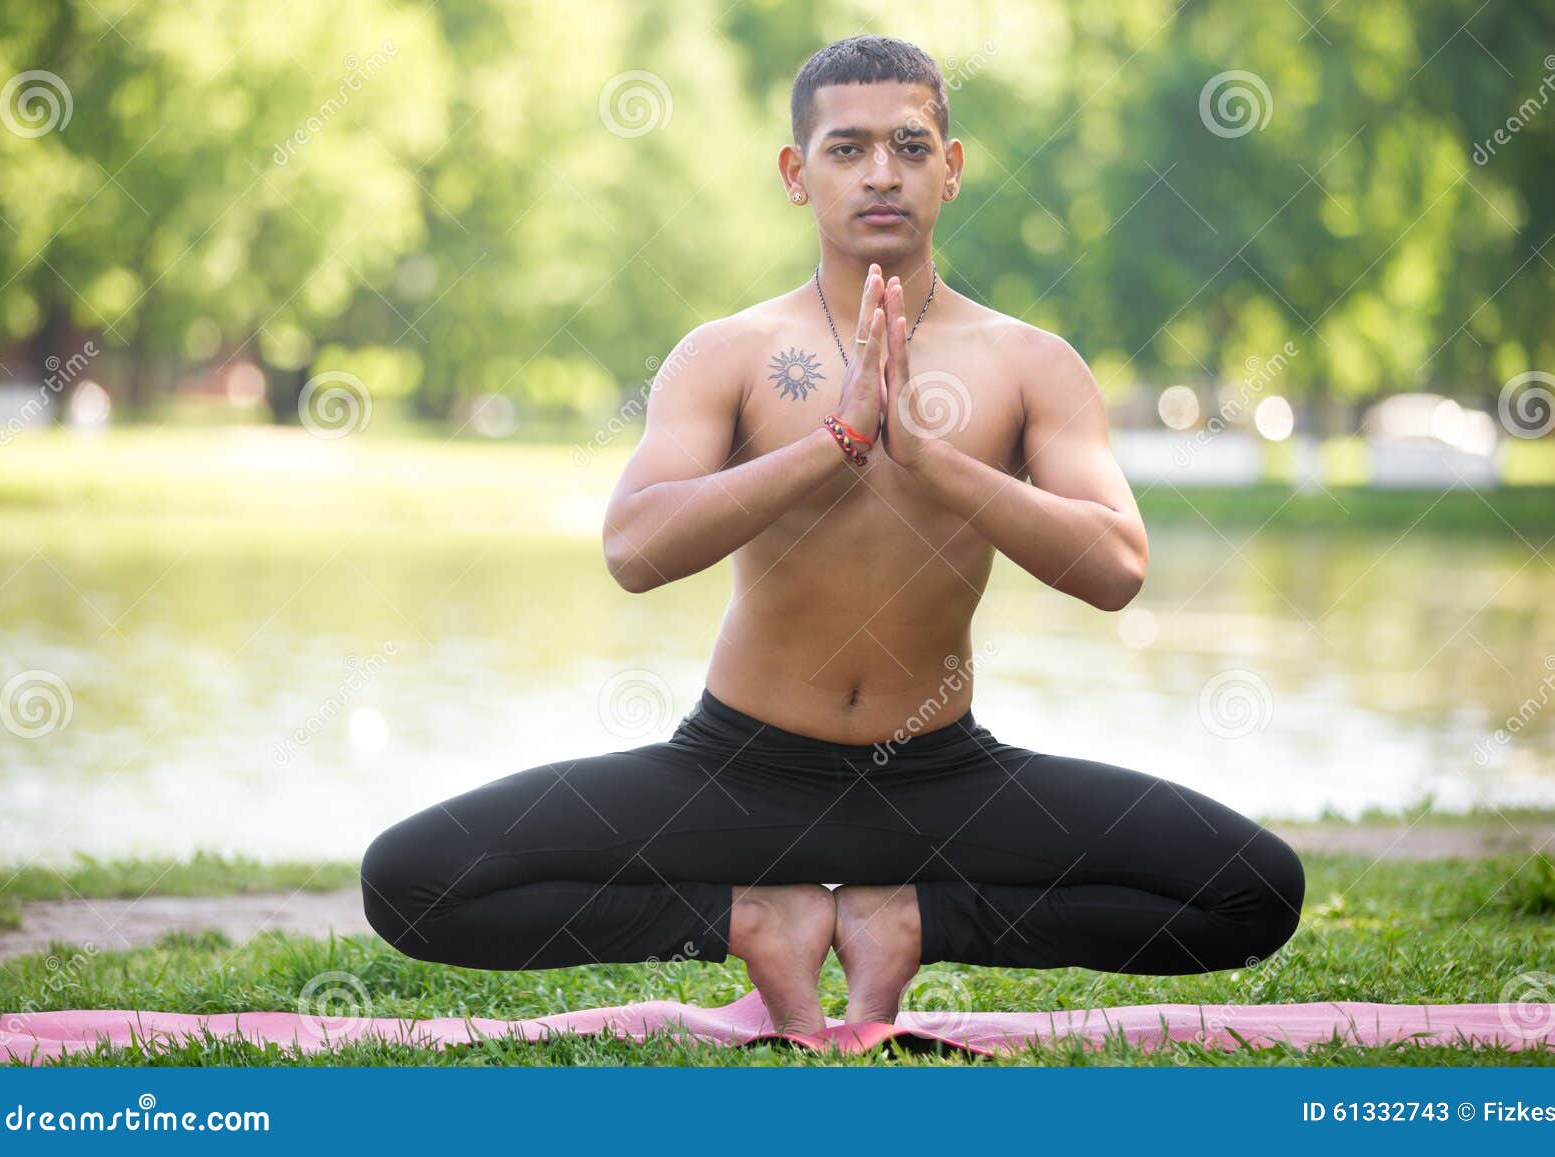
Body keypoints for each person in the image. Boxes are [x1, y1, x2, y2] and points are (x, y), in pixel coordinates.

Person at [361, 34, 1305, 1036]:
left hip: (939, 779)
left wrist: (937, 463)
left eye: (908, 144)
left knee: (1255, 888)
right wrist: (838, 439)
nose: (881, 173)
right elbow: (633, 549)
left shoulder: (1031, 363)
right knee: (412, 879)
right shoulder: (730, 353)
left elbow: (1116, 566)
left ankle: (908, 917)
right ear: (795, 173)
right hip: (737, 772)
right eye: (846, 148)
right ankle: (753, 915)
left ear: (951, 166)